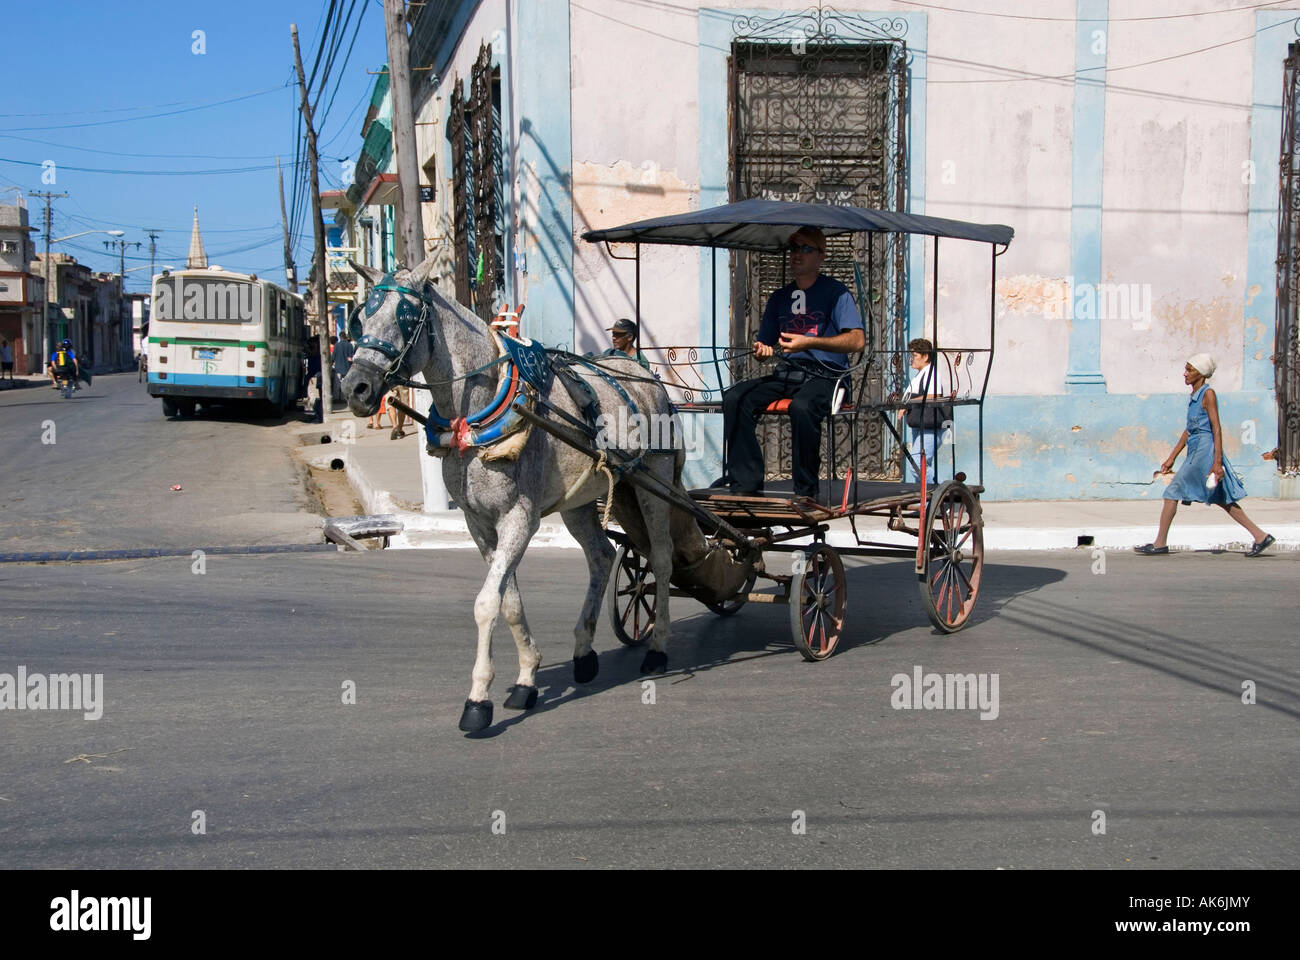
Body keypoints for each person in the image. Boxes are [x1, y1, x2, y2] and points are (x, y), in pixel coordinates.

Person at [721, 227, 864, 500]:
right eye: (794, 248)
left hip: (827, 375)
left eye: (806, 248)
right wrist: (761, 351)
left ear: (821, 256)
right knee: (736, 398)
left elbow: (857, 341)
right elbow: (765, 344)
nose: (797, 254)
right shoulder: (779, 298)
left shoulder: (836, 292)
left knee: (803, 407)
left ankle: (805, 491)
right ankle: (745, 485)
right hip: (789, 373)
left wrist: (809, 343)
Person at [1136, 353, 1275, 557]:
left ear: (1201, 373)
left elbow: (1216, 428)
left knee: (1172, 492)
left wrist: (1217, 462)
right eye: (1186, 368)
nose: (1185, 373)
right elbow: (1188, 429)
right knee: (1222, 497)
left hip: (1204, 450)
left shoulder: (1208, 394)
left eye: (1190, 370)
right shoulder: (1194, 397)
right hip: (1196, 447)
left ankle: (1159, 544)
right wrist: (1172, 456)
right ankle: (1261, 537)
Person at [897, 338, 953, 483]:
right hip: (920, 424)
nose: (912, 359)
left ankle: (944, 492)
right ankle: (927, 502)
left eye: (915, 355)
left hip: (931, 427)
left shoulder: (930, 373)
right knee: (921, 464)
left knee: (916, 464)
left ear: (925, 356)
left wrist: (908, 403)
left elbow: (934, 395)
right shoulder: (920, 375)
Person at [331, 332, 355, 403]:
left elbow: (333, 357)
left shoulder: (337, 345)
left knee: (337, 384)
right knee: (346, 384)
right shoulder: (350, 345)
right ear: (345, 337)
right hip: (347, 367)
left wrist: (331, 364)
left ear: (340, 337)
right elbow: (351, 357)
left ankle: (336, 398)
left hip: (338, 368)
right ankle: (344, 398)